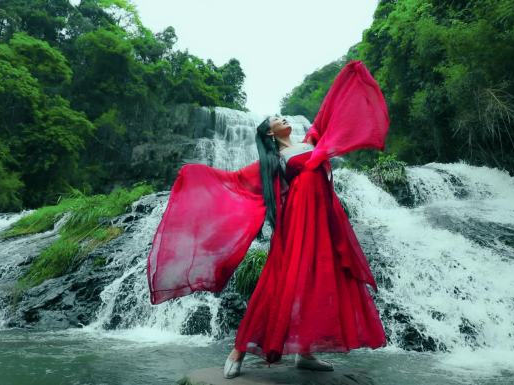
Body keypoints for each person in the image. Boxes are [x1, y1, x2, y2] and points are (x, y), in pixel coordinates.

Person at [145, 60, 390, 380]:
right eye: (275, 119)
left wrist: (348, 76)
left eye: (281, 116)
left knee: (319, 280)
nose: (282, 118)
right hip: (297, 228)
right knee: (278, 284)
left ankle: (305, 352)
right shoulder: (274, 161)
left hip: (323, 225)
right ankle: (239, 350)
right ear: (270, 134)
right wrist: (197, 176)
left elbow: (329, 112)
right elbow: (237, 183)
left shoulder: (310, 141)